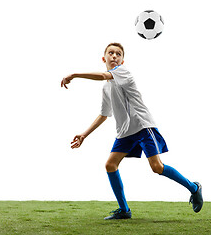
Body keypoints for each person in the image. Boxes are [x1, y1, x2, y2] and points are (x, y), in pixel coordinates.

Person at [61, 43, 203, 220]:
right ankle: (124, 210)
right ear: (104, 58)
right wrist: (84, 135)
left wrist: (74, 74)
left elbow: (104, 75)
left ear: (122, 60)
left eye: (118, 54)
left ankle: (194, 188)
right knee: (110, 165)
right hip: (125, 132)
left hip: (143, 126)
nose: (114, 56)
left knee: (157, 167)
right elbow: (104, 115)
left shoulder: (122, 72)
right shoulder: (105, 87)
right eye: (110, 53)